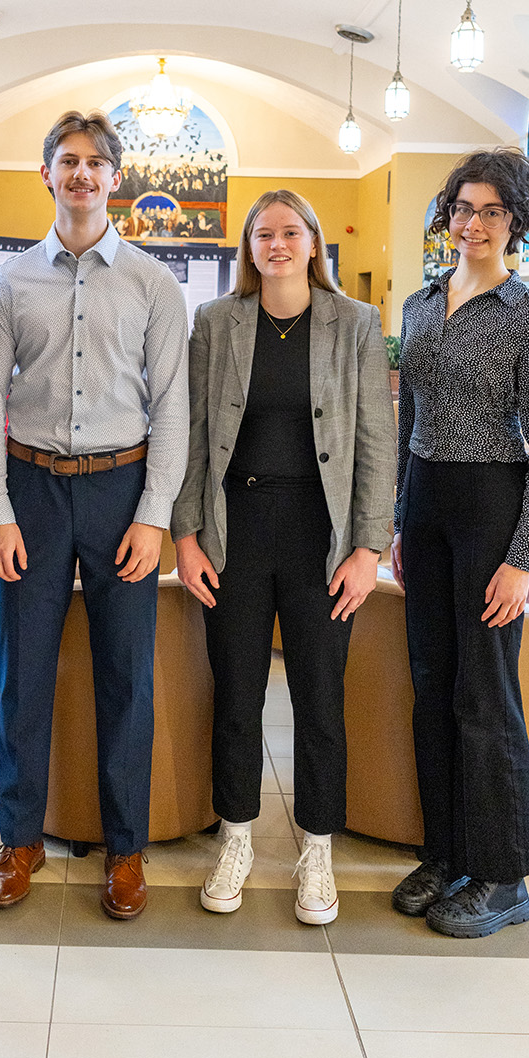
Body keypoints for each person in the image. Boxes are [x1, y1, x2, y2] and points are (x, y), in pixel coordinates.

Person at [0, 110, 189, 919]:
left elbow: (172, 406)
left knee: (126, 677)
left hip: (120, 494)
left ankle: (125, 849)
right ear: (47, 175)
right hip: (30, 490)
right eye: (68, 161)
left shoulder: (151, 284)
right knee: (22, 670)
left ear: (116, 177)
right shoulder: (9, 286)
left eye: (97, 162)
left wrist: (154, 514)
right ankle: (19, 838)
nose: (82, 175)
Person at [171, 190, 396, 923]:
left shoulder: (356, 324)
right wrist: (185, 534)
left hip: (320, 537)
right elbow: (194, 434)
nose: (276, 244)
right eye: (263, 233)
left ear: (312, 242)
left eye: (289, 232)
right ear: (247, 246)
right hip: (234, 531)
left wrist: (369, 547)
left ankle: (317, 848)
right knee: (235, 695)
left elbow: (374, 441)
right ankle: (235, 837)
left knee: (319, 699)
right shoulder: (215, 322)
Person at [390, 148, 529, 939]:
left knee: (485, 694)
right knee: (432, 685)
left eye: (493, 210)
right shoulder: (421, 306)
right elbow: (407, 421)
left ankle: (504, 875)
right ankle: (448, 851)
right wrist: (397, 518)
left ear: (515, 222)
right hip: (425, 508)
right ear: (447, 216)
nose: (474, 223)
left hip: (491, 507)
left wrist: (523, 560)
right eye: (463, 207)